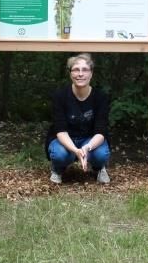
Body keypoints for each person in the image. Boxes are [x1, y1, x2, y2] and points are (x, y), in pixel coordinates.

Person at [45, 53, 112, 185]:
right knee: (59, 154)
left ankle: (99, 168)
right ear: (70, 73)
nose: (80, 74)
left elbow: (101, 131)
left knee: (101, 154)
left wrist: (86, 148)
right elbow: (60, 130)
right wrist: (75, 150)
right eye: (76, 69)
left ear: (91, 73)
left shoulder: (101, 97)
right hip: (64, 139)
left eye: (85, 70)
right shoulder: (60, 96)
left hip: (90, 139)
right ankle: (58, 168)